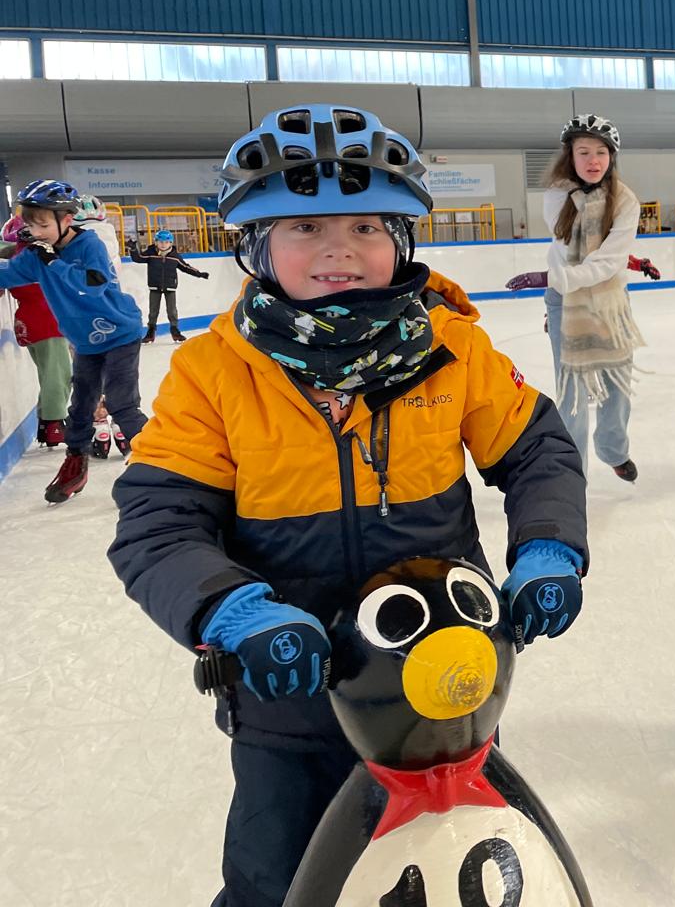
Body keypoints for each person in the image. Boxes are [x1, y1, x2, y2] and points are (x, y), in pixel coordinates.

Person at [106, 104, 588, 907]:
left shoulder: (452, 349)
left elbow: (538, 450)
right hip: (286, 701)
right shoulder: (212, 374)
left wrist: (549, 548)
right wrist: (232, 612)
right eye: (304, 228)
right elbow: (158, 524)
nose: (339, 248)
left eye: (366, 226)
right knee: (275, 881)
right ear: (256, 245)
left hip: (441, 690)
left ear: (400, 240)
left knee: (443, 874)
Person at [505, 114, 647, 482]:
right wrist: (556, 294)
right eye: (583, 152)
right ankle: (573, 471)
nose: (593, 160)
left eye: (601, 152)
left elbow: (605, 261)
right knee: (572, 393)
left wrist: (549, 278)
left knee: (616, 383)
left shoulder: (625, 201)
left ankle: (613, 449)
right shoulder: (557, 195)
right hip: (565, 300)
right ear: (570, 156)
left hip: (609, 301)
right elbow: (571, 252)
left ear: (611, 157)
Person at [0, 179, 146, 504]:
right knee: (80, 409)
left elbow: (92, 285)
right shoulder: (37, 255)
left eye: (43, 225)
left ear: (66, 219)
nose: (36, 232)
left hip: (120, 334)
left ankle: (163, 462)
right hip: (86, 343)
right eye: (31, 225)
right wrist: (44, 258)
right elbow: (7, 271)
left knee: (121, 403)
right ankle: (76, 464)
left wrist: (54, 262)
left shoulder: (89, 244)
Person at [0, 212, 71, 448]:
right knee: (58, 374)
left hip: (31, 323)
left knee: (50, 373)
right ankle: (53, 423)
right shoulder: (37, 258)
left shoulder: (15, 261)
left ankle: (47, 420)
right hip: (47, 323)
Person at [129, 227, 211, 342]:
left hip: (170, 286)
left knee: (172, 311)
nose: (163, 244)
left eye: (166, 242)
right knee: (153, 311)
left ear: (171, 243)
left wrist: (199, 274)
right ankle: (151, 331)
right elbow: (138, 258)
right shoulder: (151, 253)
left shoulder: (174, 256)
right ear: (156, 242)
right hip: (155, 286)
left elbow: (186, 267)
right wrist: (133, 249)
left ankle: (175, 330)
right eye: (161, 242)